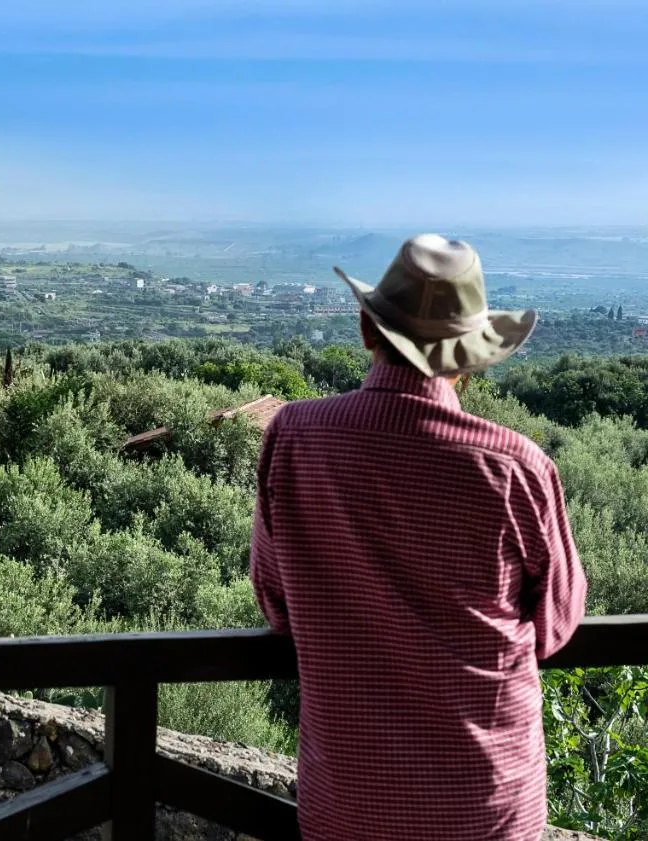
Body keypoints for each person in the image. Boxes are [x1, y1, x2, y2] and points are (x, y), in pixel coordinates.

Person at [249, 234, 587, 841]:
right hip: (487, 804)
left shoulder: (294, 438)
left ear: (366, 327)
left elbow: (276, 604)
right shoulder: (516, 467)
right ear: (470, 357)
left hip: (350, 801)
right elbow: (556, 625)